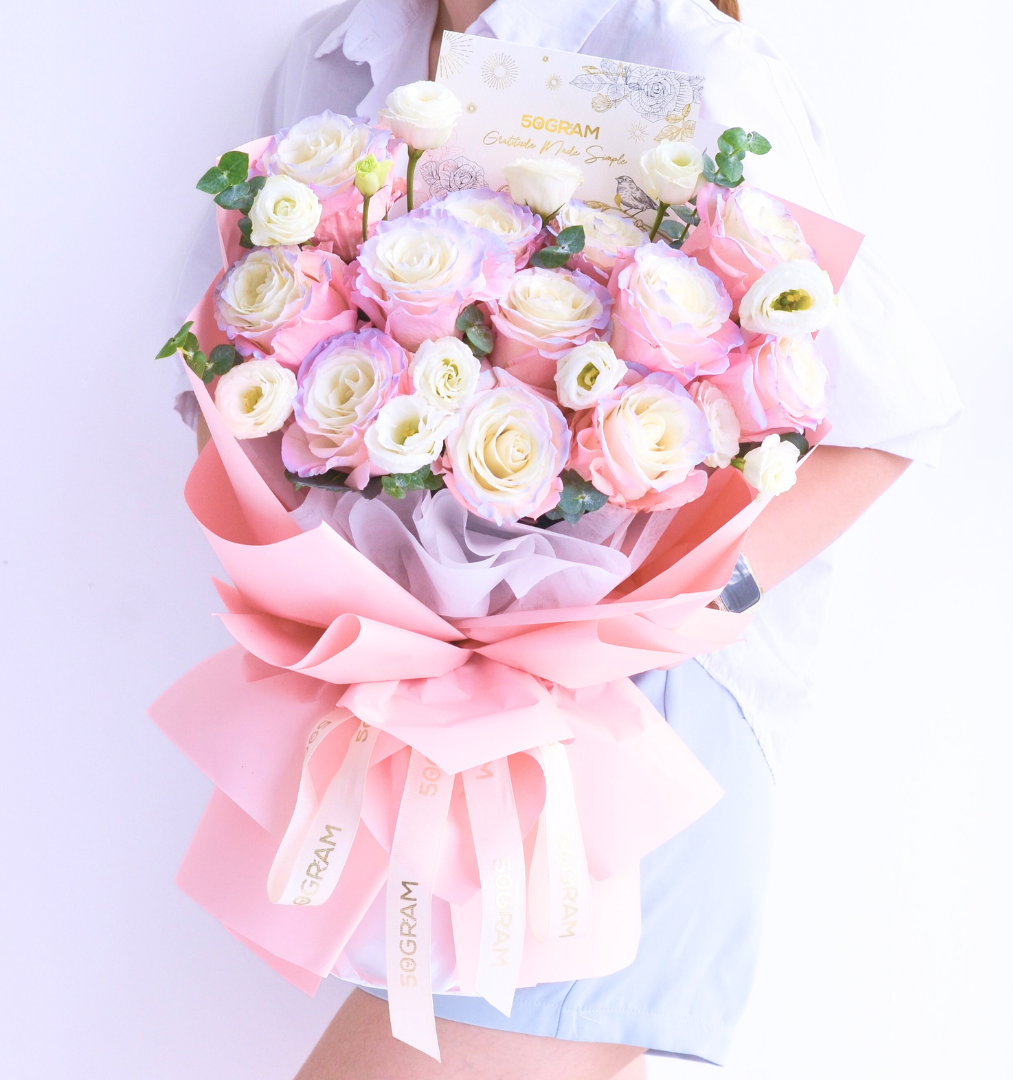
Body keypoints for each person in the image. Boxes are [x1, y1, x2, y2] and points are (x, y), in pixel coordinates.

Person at [176, 1, 961, 1076]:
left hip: (631, 723)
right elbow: (239, 373)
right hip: (422, 715)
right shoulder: (331, 57)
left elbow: (889, 416)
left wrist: (659, 616)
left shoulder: (683, 53)